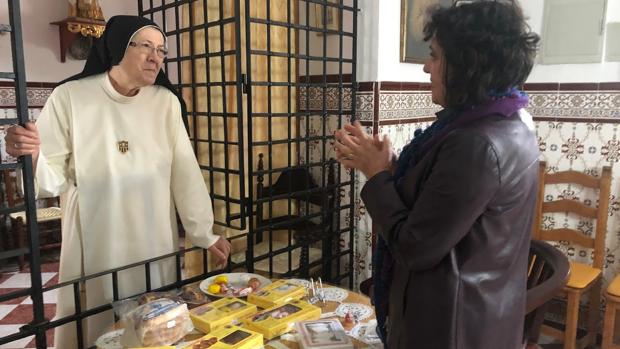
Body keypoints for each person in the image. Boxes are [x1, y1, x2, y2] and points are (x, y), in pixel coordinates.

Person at [4, 16, 231, 348]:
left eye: (162, 50)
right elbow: (49, 176)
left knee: (153, 319)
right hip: (98, 235)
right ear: (118, 48)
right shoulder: (70, 97)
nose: (156, 57)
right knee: (96, 322)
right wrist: (31, 153)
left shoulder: (165, 102)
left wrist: (204, 233)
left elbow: (185, 172)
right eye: (146, 47)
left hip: (153, 234)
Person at [335, 1, 540, 348]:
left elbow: (415, 246)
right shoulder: (507, 121)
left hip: (452, 327)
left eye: (434, 56)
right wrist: (388, 164)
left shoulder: (477, 142)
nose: (427, 68)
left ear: (466, 63)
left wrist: (376, 174)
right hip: (479, 317)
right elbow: (443, 196)